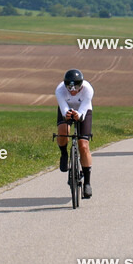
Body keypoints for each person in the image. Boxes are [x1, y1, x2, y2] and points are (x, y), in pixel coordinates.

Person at [55, 69, 94, 198]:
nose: (72, 90)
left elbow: (84, 109)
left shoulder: (88, 89)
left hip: (84, 110)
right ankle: (64, 154)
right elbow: (64, 108)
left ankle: (87, 183)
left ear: (81, 85)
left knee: (83, 145)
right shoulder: (60, 90)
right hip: (66, 109)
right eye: (69, 87)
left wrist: (79, 115)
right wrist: (68, 114)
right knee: (63, 131)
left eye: (76, 87)